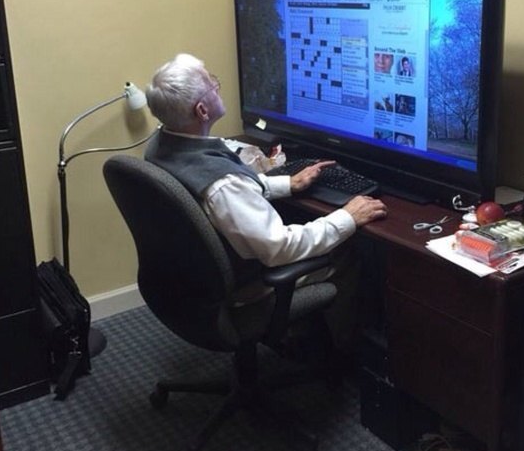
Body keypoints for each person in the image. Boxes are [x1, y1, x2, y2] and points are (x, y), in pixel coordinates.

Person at [144, 53, 388, 349]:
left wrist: (287, 183)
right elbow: (279, 249)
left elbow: (230, 195)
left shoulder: (163, 145)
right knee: (349, 252)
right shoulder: (224, 186)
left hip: (192, 277)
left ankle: (306, 334)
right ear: (202, 111)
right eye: (212, 84)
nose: (217, 86)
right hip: (248, 284)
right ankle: (344, 353)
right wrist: (347, 217)